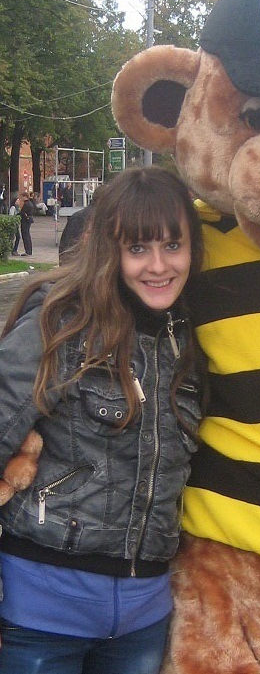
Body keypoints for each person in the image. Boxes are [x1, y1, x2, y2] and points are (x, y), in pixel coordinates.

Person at [0, 165, 206, 674]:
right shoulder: (61, 322)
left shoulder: (191, 341)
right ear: (110, 251)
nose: (158, 266)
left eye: (172, 245)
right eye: (137, 248)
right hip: (40, 612)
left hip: (144, 618)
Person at [19, 192, 35, 256]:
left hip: (25, 220)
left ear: (25, 197)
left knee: (25, 236)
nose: (21, 198)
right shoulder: (30, 203)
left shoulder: (26, 204)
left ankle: (27, 251)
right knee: (27, 235)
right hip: (29, 220)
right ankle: (29, 251)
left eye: (22, 197)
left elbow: (22, 212)